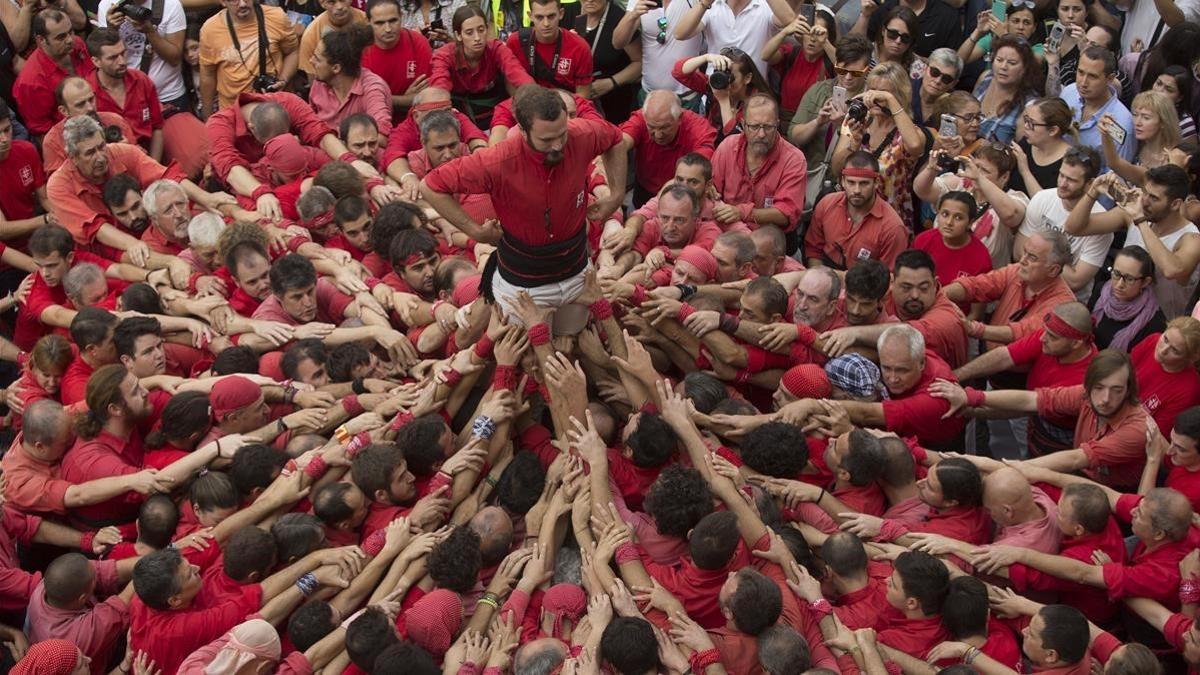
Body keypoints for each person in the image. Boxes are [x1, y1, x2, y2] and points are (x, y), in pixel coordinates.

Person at [421, 85, 624, 326]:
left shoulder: (581, 133)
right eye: (547, 139)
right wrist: (474, 230)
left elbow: (615, 139)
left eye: (562, 134)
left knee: (577, 336)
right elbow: (430, 186)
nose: (558, 145)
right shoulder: (496, 160)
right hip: (523, 281)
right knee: (528, 354)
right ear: (523, 132)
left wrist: (617, 194)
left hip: (575, 267)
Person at [934, 350, 1152, 490]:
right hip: (1082, 475)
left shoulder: (1136, 427)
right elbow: (1032, 400)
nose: (1105, 399)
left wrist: (1005, 469)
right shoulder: (1085, 395)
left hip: (1116, 491)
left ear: (1128, 390)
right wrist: (971, 397)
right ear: (1088, 386)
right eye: (1099, 388)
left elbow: (1077, 459)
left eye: (1116, 390)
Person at [1065, 164, 1200, 318]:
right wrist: (1093, 191)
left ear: (1175, 204)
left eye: (1154, 198)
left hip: (1159, 326)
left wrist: (1140, 221)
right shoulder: (1134, 213)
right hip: (1116, 310)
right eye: (1145, 193)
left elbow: (1172, 270)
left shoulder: (1191, 239)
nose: (1145, 202)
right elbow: (1073, 227)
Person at [830, 61, 931, 231]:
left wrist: (890, 100)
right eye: (872, 90)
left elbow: (915, 146)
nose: (874, 98)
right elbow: (836, 168)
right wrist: (854, 144)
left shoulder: (909, 133)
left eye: (883, 93)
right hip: (850, 214)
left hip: (888, 222)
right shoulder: (857, 119)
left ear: (899, 96)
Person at [1016, 146, 1112, 303]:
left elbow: (1076, 282)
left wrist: (1037, 256)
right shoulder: (1043, 199)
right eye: (1061, 175)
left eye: (1072, 180)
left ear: (1090, 184)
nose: (1062, 183)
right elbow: (1018, 250)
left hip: (1065, 302)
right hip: (1027, 289)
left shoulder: (1101, 222)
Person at [915, 142, 1028, 269]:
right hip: (939, 263)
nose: (976, 173)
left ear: (1004, 177)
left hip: (982, 276)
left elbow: (1011, 215)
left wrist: (979, 178)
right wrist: (930, 170)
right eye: (976, 166)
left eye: (984, 170)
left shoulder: (1015, 198)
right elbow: (921, 191)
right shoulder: (960, 183)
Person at [709, 94, 807, 236]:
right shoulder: (727, 147)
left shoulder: (794, 159)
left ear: (777, 125)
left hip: (768, 241)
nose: (761, 134)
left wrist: (742, 212)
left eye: (768, 127)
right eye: (754, 126)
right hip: (725, 235)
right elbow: (712, 192)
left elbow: (786, 213)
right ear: (743, 125)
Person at [429, 5, 532, 130]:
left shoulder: (497, 49)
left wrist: (535, 97)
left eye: (481, 30)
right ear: (458, 35)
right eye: (469, 32)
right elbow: (439, 92)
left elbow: (520, 76)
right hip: (458, 118)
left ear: (487, 30)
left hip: (497, 114)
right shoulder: (444, 55)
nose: (477, 38)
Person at [805, 150, 907, 271]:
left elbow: (889, 277)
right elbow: (813, 250)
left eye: (864, 183)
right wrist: (819, 280)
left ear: (876, 183)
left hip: (867, 286)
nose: (857, 190)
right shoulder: (826, 205)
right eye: (851, 182)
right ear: (842, 181)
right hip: (822, 278)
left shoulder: (893, 228)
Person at [197, 0, 300, 112]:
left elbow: (293, 52)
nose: (243, 4)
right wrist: (208, 117)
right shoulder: (210, 30)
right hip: (234, 110)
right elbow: (208, 75)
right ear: (223, 1)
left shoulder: (277, 17)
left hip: (274, 107)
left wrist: (283, 79)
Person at [618, 90, 716, 206]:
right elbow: (620, 144)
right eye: (652, 127)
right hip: (643, 189)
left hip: (684, 194)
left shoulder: (699, 129)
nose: (658, 135)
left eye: (665, 127)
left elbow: (700, 166)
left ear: (679, 118)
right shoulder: (641, 118)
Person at [787, 34, 872, 168]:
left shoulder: (871, 100)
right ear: (835, 64)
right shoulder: (818, 91)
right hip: (812, 169)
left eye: (855, 73)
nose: (848, 77)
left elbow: (870, 148)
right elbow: (793, 137)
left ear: (866, 70)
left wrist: (843, 126)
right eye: (841, 70)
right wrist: (817, 122)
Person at [84, 29, 166, 163]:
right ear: (96, 61)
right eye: (113, 57)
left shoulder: (141, 80)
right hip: (110, 163)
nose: (122, 61)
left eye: (123, 53)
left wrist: (153, 166)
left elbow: (157, 128)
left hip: (147, 158)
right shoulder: (87, 94)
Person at [13, 10, 95, 136]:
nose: (69, 40)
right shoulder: (31, 82)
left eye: (70, 32)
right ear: (41, 40)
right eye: (61, 37)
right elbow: (43, 133)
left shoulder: (77, 44)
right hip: (71, 137)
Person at [670, 0, 796, 78]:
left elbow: (789, 20)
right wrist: (705, 3)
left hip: (752, 91)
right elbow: (679, 34)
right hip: (716, 85)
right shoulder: (713, 6)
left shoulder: (764, 6)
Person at [308, 24, 393, 137]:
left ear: (336, 68)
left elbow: (382, 137)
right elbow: (308, 124)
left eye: (317, 59)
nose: (311, 61)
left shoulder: (372, 89)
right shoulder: (319, 83)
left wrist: (338, 146)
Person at [1059, 45, 1134, 170]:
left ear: (1110, 79)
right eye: (1080, 72)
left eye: (1093, 76)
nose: (1083, 82)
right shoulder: (1069, 92)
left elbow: (1117, 175)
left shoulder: (1122, 123)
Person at [673, 47, 771, 141]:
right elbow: (679, 72)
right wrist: (706, 57)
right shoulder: (715, 86)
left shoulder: (759, 104)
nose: (725, 80)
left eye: (730, 76)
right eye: (721, 73)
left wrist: (723, 101)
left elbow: (735, 139)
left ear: (747, 78)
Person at [760, 8, 835, 123]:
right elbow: (765, 56)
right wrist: (785, 32)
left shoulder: (830, 60)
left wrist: (825, 42)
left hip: (816, 123)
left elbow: (845, 69)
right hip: (785, 121)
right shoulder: (792, 53)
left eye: (818, 33)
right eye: (808, 32)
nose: (812, 39)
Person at [504, 0, 593, 96]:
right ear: (530, 16)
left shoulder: (580, 47)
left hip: (566, 107)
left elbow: (584, 94)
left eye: (551, 16)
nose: (546, 23)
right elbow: (510, 83)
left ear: (561, 14)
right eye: (539, 17)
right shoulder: (515, 42)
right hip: (527, 105)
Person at [361, 0, 433, 114]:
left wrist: (384, 97)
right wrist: (404, 99)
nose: (388, 29)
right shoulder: (359, 50)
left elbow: (427, 97)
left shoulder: (418, 43)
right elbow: (361, 103)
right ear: (368, 22)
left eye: (393, 20)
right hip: (373, 122)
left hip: (416, 119)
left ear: (401, 17)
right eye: (380, 23)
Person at [574, 0, 640, 123]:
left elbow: (639, 63)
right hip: (574, 98)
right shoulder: (566, 13)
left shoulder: (619, 18)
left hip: (612, 101)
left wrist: (611, 82)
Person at [1091, 246, 1167, 351]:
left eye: (1129, 279)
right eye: (1116, 274)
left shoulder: (1154, 322)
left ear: (1145, 282)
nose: (1120, 284)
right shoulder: (1101, 290)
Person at [969, 34, 1042, 144]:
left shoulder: (1030, 105)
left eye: (1012, 63)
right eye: (999, 60)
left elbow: (1023, 151)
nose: (1003, 67)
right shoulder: (985, 78)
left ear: (1025, 68)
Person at [1099, 90, 1179, 187]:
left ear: (1163, 122)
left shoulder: (1173, 157)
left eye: (1146, 118)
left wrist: (1105, 135)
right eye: (1135, 115)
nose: (1137, 122)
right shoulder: (1136, 144)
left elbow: (1115, 163)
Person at [1009, 97, 1076, 194]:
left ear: (1053, 130)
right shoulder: (1026, 143)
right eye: (1026, 120)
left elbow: (1045, 206)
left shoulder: (1070, 162)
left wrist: (1025, 171)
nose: (1026, 126)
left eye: (1031, 123)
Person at [855, 0, 962, 59]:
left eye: (905, 38)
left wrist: (920, 62)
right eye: (892, 34)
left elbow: (951, 62)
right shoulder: (882, 8)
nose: (898, 41)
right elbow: (855, 46)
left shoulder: (948, 16)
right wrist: (864, 16)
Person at [298, 0, 367, 78]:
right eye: (331, 2)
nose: (339, 7)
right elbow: (313, 78)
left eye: (343, 0)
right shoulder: (311, 34)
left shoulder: (367, 22)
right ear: (322, 4)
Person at [911, 48, 961, 126]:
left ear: (954, 83)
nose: (937, 81)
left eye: (946, 79)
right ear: (924, 69)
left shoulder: (956, 108)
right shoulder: (902, 90)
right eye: (934, 72)